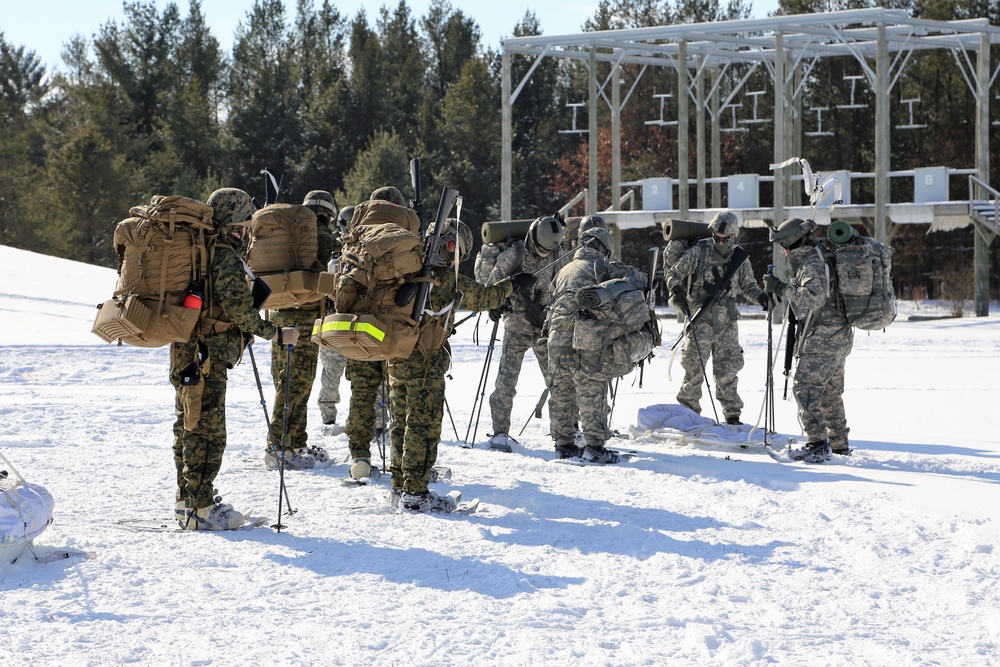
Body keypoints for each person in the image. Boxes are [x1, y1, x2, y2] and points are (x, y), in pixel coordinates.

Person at [173, 188, 299, 530]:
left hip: (185, 352)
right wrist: (276, 333)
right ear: (237, 224)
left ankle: (186, 500)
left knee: (188, 424)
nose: (246, 232)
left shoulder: (198, 251)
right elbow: (241, 313)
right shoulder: (224, 256)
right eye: (245, 224)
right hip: (207, 357)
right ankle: (200, 509)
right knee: (209, 433)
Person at [388, 218, 529, 511]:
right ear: (452, 247)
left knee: (400, 421)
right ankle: (415, 493)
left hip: (396, 358)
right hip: (425, 365)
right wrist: (513, 284)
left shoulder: (401, 269)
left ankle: (400, 485)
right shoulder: (445, 279)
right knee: (422, 425)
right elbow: (485, 297)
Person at [545, 224, 646, 463]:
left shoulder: (564, 268)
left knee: (561, 392)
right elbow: (638, 279)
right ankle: (594, 446)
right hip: (584, 338)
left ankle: (564, 444)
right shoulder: (601, 265)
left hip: (555, 337)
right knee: (591, 389)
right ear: (604, 247)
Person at [664, 211, 768, 425]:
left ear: (733, 236)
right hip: (700, 320)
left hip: (728, 324)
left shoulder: (739, 257)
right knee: (693, 369)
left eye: (725, 238)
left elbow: (748, 285)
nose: (720, 241)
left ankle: (732, 415)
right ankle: (689, 413)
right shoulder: (698, 252)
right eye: (717, 237)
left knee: (728, 370)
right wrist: (676, 291)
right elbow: (674, 273)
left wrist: (761, 297)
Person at [763, 217, 853, 462]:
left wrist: (782, 288)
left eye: (783, 245)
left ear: (792, 243)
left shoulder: (812, 262)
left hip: (824, 337)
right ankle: (839, 445)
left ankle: (817, 444)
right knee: (829, 393)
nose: (782, 251)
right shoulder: (818, 257)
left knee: (806, 389)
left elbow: (813, 298)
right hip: (838, 335)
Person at [262, 190, 338, 471]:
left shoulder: (285, 234)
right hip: (306, 318)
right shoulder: (324, 237)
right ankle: (279, 447)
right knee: (296, 384)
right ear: (328, 212)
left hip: (279, 314)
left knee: (285, 381)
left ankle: (295, 441)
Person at [478, 215, 565, 452]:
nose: (544, 255)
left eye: (549, 251)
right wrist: (497, 305)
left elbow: (562, 285)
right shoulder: (513, 255)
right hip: (516, 326)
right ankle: (500, 433)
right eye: (541, 250)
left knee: (558, 381)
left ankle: (564, 433)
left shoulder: (557, 253)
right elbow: (492, 289)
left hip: (544, 327)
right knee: (506, 382)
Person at [342, 187, 406, 482]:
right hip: (391, 329)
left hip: (359, 328)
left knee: (362, 395)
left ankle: (359, 456)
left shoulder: (354, 240)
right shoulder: (402, 241)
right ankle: (402, 460)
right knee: (398, 395)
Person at [316, 204, 351, 436]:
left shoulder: (333, 246)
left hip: (333, 320)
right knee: (336, 371)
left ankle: (328, 418)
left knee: (331, 371)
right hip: (349, 319)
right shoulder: (337, 247)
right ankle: (330, 418)